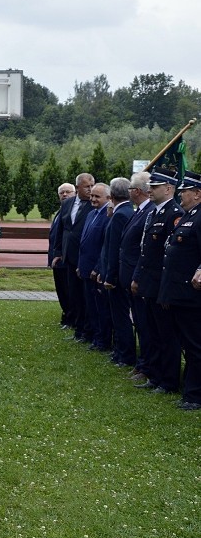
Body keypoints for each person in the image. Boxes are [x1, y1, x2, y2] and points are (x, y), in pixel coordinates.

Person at [132, 167, 183, 394]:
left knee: (166, 336)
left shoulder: (174, 213)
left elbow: (169, 257)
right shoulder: (154, 212)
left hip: (161, 285)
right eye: (150, 186)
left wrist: (164, 290)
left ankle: (168, 380)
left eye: (155, 187)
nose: (150, 190)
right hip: (150, 284)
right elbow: (145, 251)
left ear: (169, 188)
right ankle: (155, 374)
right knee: (152, 332)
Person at [158, 170, 201, 410]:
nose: (180, 195)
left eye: (184, 191)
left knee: (195, 346)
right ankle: (189, 389)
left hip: (191, 295)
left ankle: (195, 396)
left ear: (197, 193)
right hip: (178, 294)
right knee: (187, 344)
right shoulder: (188, 216)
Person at [119, 172, 153, 381]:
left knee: (145, 325)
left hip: (139, 278)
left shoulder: (148, 211)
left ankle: (146, 366)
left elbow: (144, 250)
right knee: (140, 323)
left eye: (131, 188)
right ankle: (143, 364)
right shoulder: (140, 211)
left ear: (137, 191)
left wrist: (136, 277)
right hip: (132, 276)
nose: (129, 192)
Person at [53, 173, 95, 342]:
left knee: (86, 297)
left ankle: (88, 331)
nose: (91, 190)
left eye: (92, 186)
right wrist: (57, 252)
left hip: (84, 257)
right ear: (77, 188)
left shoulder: (93, 206)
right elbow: (61, 230)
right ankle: (78, 329)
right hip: (69, 257)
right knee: (74, 295)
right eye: (87, 186)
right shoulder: (68, 203)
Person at [100, 177, 134, 366]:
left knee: (120, 317)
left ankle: (125, 354)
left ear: (111, 196)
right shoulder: (125, 212)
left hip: (117, 275)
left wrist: (110, 276)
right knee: (119, 316)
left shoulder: (120, 215)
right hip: (121, 273)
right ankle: (120, 351)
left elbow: (114, 249)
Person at [77, 182, 111, 351]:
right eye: (91, 196)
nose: (93, 199)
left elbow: (104, 246)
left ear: (108, 198)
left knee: (100, 308)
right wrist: (80, 265)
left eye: (97, 196)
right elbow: (84, 242)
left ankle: (102, 340)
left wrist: (97, 268)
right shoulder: (91, 214)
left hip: (96, 271)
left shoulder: (107, 215)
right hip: (85, 268)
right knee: (90, 306)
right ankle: (94, 337)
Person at [49, 183, 76, 328]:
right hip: (57, 257)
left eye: (68, 192)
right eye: (62, 192)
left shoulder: (73, 211)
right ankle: (66, 314)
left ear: (74, 193)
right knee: (61, 289)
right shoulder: (60, 211)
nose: (64, 195)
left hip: (66, 258)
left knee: (68, 290)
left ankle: (70, 317)